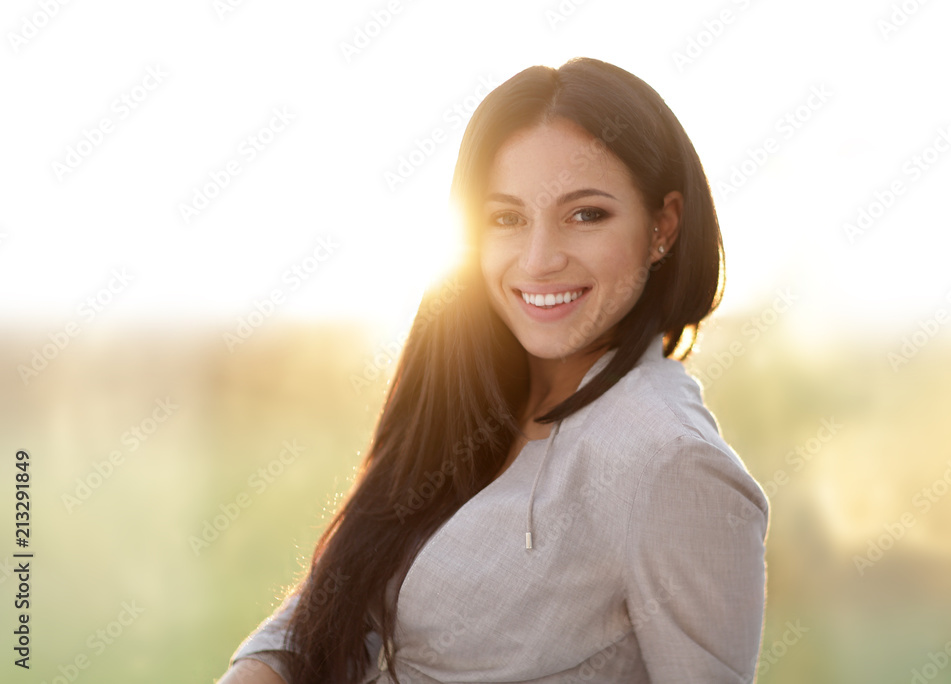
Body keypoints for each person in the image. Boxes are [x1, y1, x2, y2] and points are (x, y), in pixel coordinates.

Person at [217, 56, 769, 684]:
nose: (538, 260)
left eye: (586, 214)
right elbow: (341, 602)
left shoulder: (672, 464)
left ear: (662, 225)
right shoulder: (468, 392)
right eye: (507, 218)